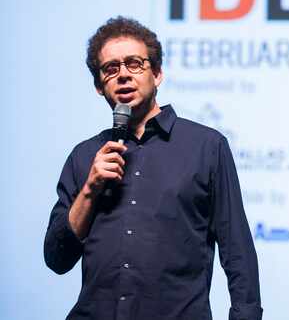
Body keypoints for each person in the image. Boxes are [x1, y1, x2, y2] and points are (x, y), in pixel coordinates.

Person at [44, 16, 262, 320]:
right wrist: (90, 190)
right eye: (110, 69)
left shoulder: (206, 147)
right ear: (99, 86)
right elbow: (57, 258)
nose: (123, 75)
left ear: (157, 73)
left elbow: (237, 251)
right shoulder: (84, 157)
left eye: (134, 64)